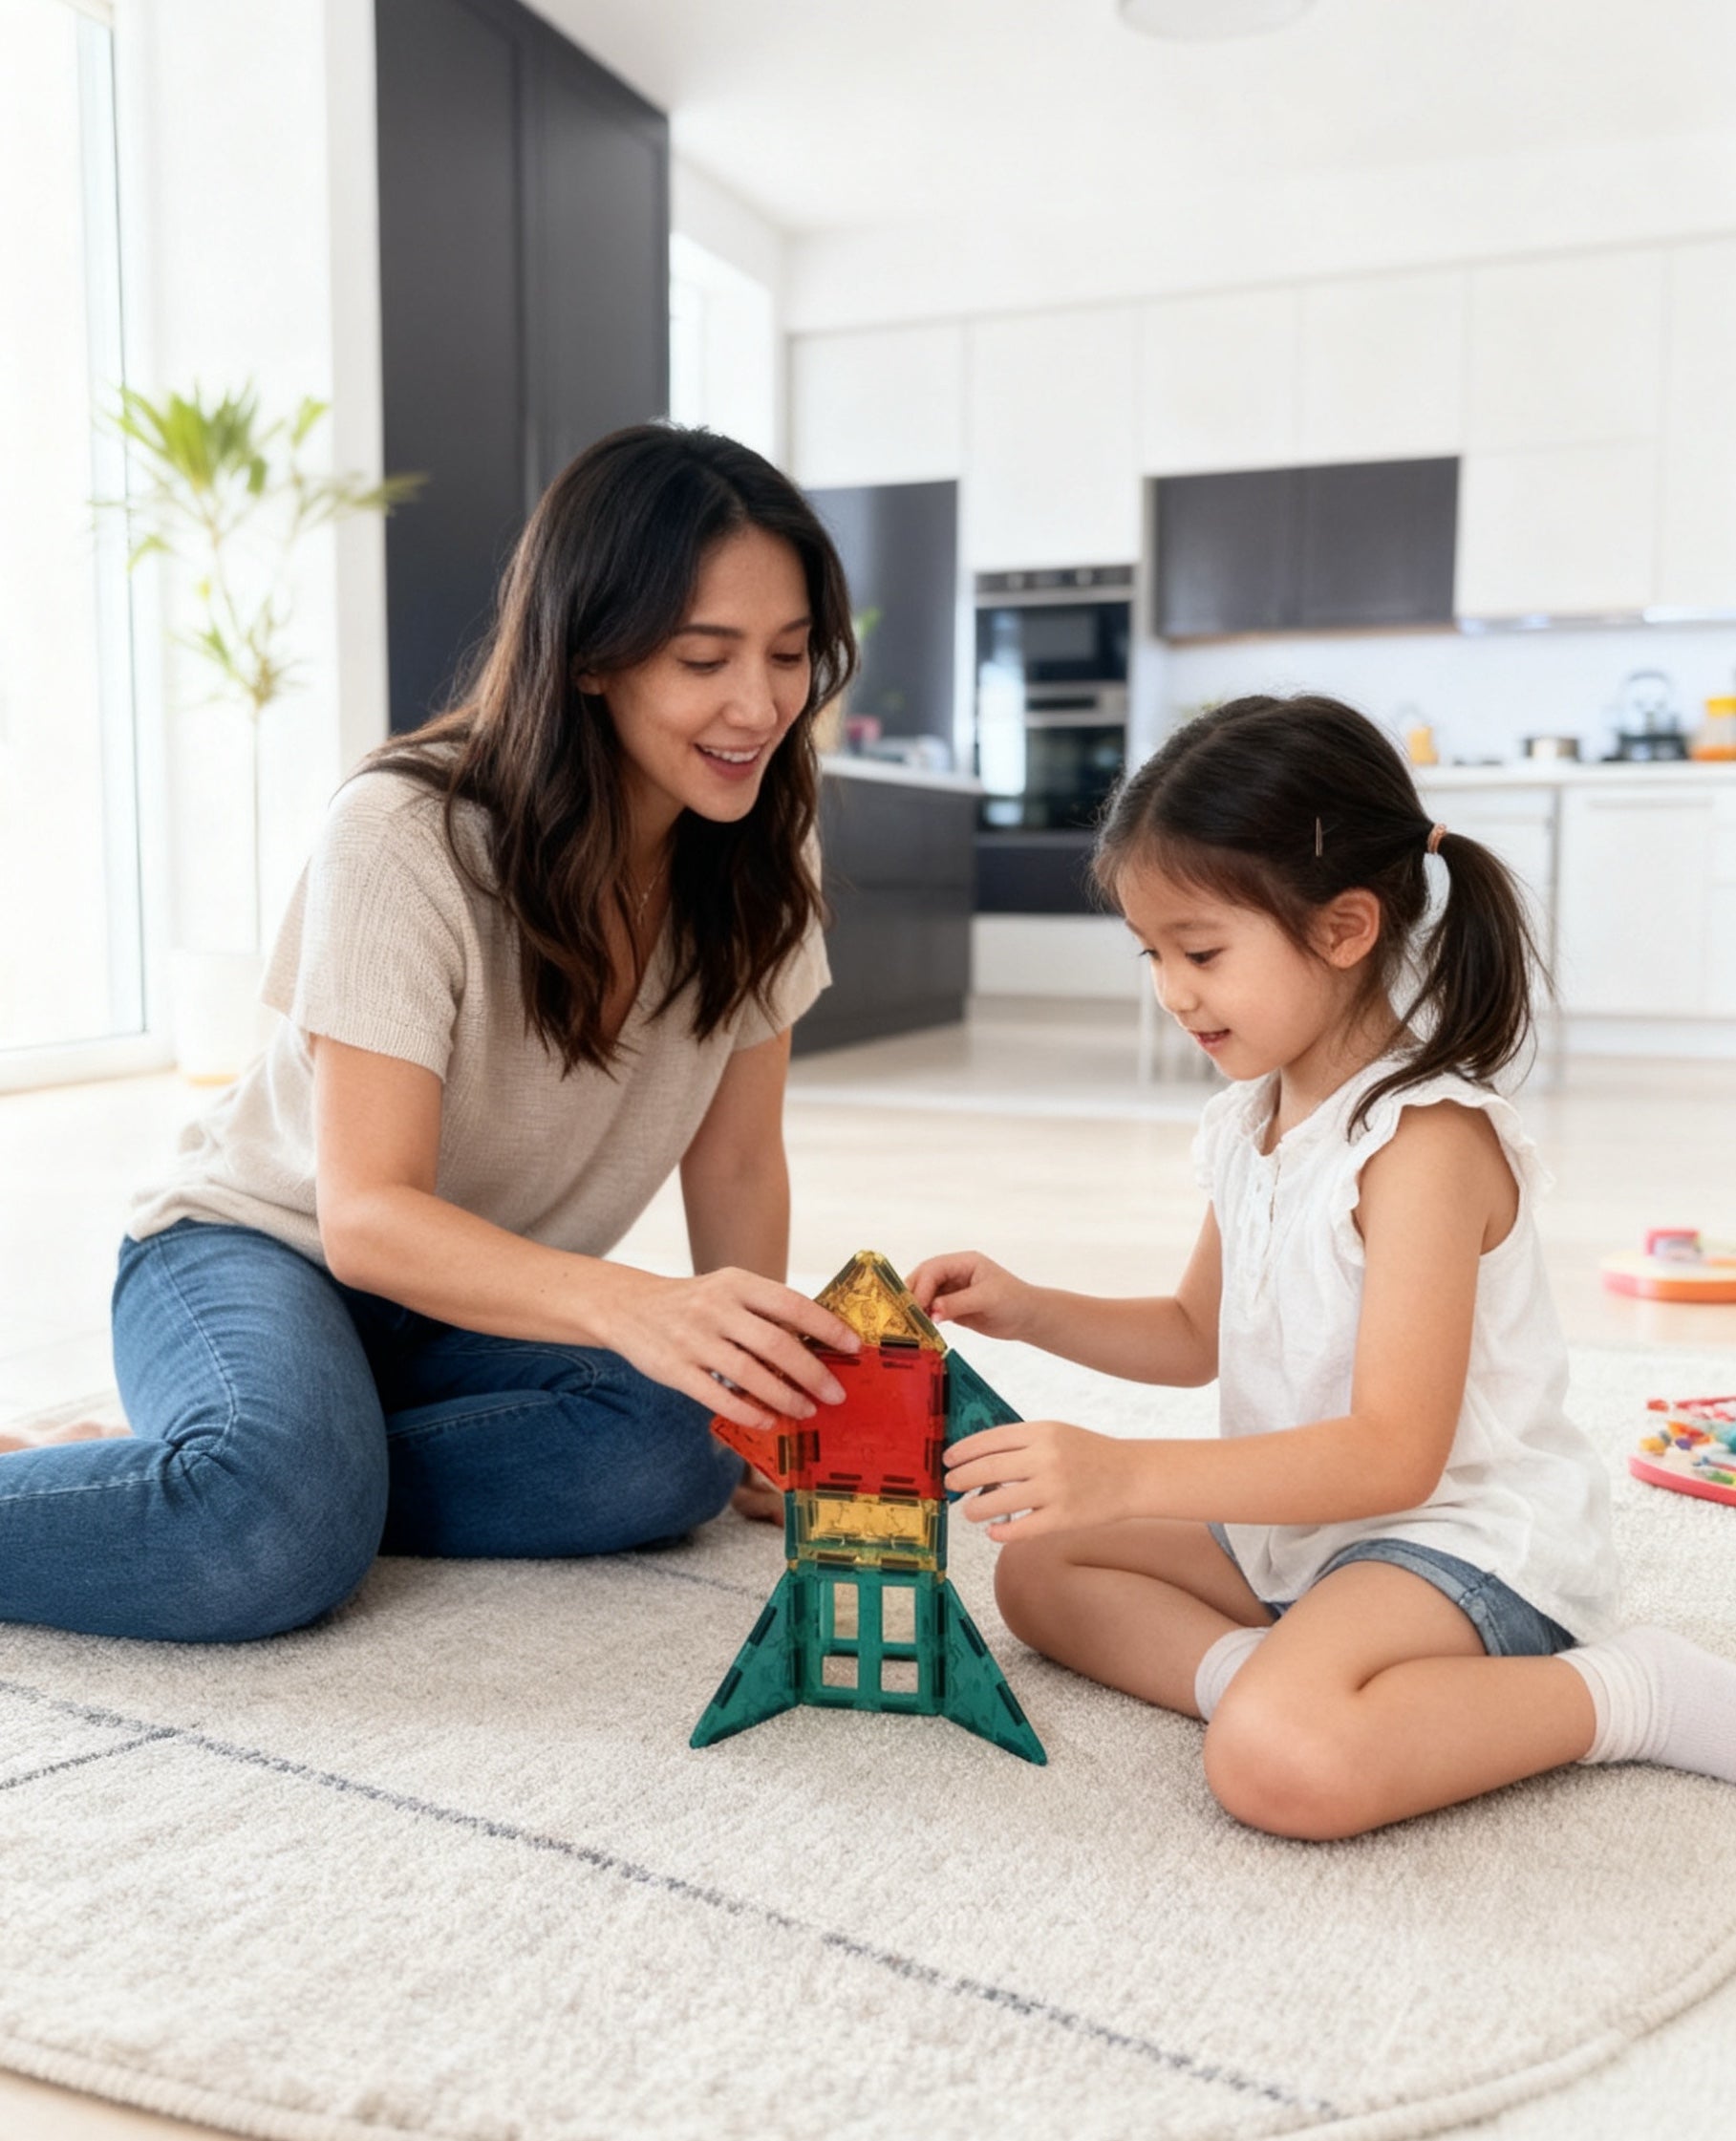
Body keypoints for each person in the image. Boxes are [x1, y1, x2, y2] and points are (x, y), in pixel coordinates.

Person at [0, 423, 864, 1642]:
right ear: (590, 660)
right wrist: (632, 1306)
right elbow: (365, 1216)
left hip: (476, 1305)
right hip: (257, 1254)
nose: (759, 705)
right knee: (265, 1542)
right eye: (703, 658)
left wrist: (756, 1389)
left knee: (678, 1446)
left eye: (787, 656)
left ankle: (245, 1462)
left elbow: (732, 1159)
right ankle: (258, 1476)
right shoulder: (407, 835)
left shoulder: (764, 851)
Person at [910, 695, 1736, 1838]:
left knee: (1280, 1768)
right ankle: (1290, 1674)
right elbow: (1193, 1334)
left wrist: (1129, 1473)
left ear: (1344, 928)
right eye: (1151, 953)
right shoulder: (1252, 1117)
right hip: (1303, 1529)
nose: (1170, 990)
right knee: (1035, 1573)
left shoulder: (1423, 1144)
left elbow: (1395, 1456)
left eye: (1199, 951)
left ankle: (1630, 1690)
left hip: (1458, 1536)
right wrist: (1030, 1309)